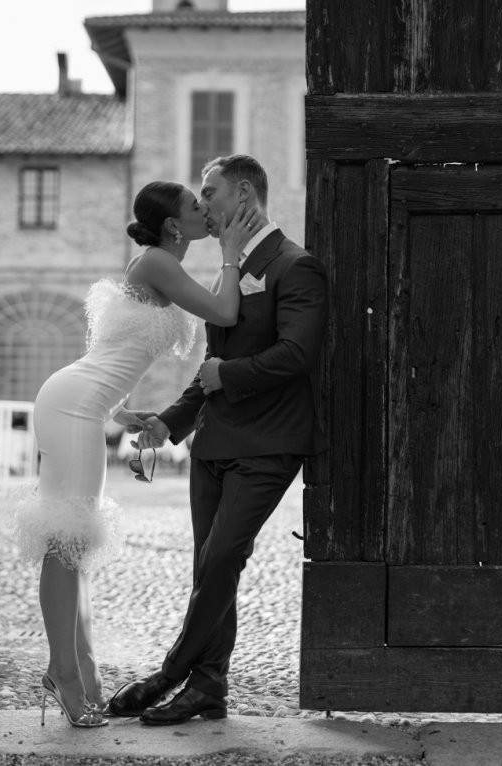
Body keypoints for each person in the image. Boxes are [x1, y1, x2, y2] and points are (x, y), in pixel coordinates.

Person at [15, 180, 260, 728]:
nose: (207, 211)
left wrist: (123, 412)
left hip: (81, 402)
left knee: (76, 546)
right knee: (66, 542)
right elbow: (224, 312)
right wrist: (228, 255)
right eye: (198, 208)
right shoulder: (157, 263)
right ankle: (64, 672)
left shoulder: (154, 264)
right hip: (73, 403)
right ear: (176, 226)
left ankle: (84, 670)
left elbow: (116, 350)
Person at [108, 155, 328, 725]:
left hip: (269, 443)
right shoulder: (228, 270)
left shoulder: (295, 265)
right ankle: (208, 688)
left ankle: (169, 672)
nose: (203, 205)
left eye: (211, 192)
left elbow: (298, 354)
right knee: (211, 567)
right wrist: (169, 422)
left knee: (224, 555)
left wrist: (226, 376)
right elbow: (215, 359)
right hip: (212, 443)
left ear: (246, 195)